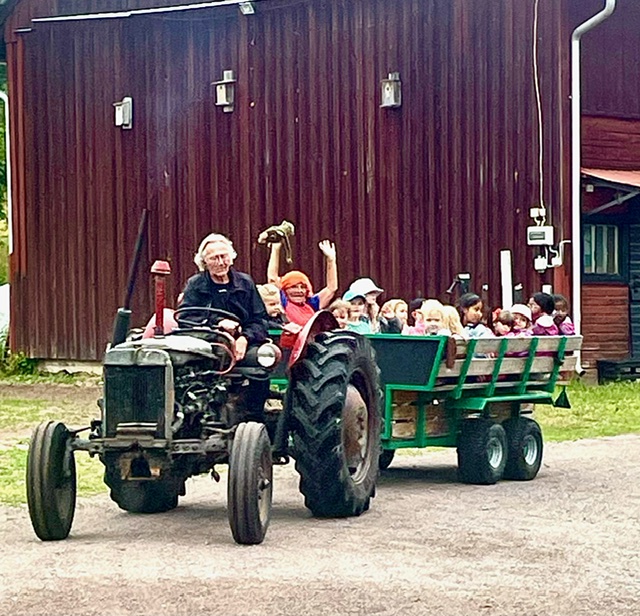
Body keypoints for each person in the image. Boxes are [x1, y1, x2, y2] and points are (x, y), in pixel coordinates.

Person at [181, 233, 268, 361]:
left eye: (224, 256)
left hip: (244, 342)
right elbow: (186, 318)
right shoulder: (195, 285)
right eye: (214, 258)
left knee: (262, 361)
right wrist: (218, 322)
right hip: (209, 342)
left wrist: (244, 338)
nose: (221, 263)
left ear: (231, 257)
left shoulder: (245, 283)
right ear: (204, 262)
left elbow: (260, 320)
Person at [267, 240, 338, 328]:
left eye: (303, 287)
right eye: (293, 287)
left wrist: (331, 260)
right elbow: (272, 279)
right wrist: (275, 249)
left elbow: (331, 288)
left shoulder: (311, 304)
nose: (299, 291)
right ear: (285, 289)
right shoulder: (283, 301)